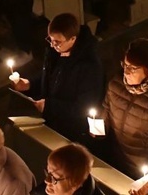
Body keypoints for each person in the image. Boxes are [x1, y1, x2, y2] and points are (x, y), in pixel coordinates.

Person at [11, 13, 104, 141]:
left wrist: (49, 106)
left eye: (57, 42)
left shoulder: (89, 67)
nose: (52, 45)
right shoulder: (55, 52)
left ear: (72, 39)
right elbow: (50, 79)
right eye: (50, 39)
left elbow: (83, 107)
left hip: (72, 131)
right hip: (52, 122)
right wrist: (29, 84)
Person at [100, 39, 148, 177]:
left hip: (140, 166)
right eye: (125, 65)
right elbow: (106, 108)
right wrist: (99, 126)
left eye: (133, 68)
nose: (126, 72)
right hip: (114, 155)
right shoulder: (116, 82)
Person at [30, 144, 104, 195]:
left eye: (54, 178)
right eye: (48, 173)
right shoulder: (41, 193)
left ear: (75, 183)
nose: (46, 180)